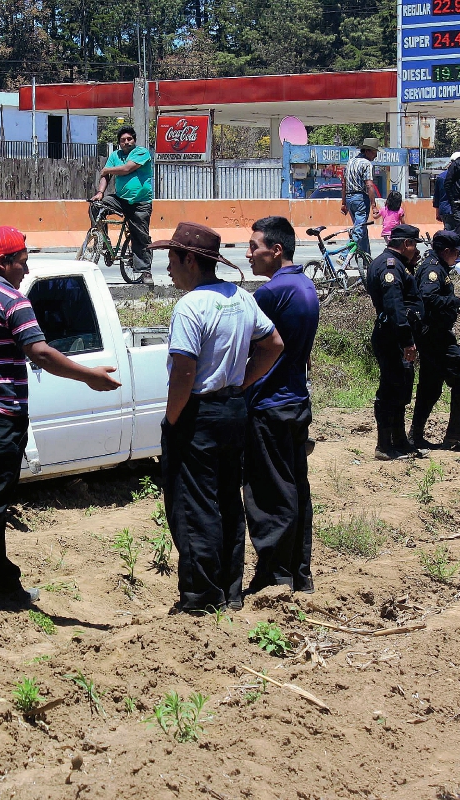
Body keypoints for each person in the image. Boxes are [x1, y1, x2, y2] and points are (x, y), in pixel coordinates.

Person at [0, 226, 121, 615]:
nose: (25, 272)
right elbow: (41, 354)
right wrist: (89, 376)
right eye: (23, 263)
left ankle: (4, 585)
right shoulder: (11, 301)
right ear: (3, 262)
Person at [155, 222, 283, 613]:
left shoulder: (191, 307)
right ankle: (230, 591)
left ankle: (200, 596)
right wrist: (242, 383)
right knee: (228, 498)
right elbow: (273, 345)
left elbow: (184, 372)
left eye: (172, 259)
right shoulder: (240, 298)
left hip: (199, 413)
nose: (168, 269)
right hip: (232, 410)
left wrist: (172, 419)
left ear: (190, 260)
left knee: (195, 505)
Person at [243, 216, 318, 595]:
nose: (248, 253)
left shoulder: (271, 293)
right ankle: (299, 573)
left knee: (270, 493)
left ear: (276, 250)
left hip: (268, 406)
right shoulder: (306, 286)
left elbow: (248, 348)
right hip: (295, 401)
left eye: (254, 247)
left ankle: (275, 575)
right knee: (295, 488)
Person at [409, 230, 460, 450]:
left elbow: (439, 302)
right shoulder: (433, 269)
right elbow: (428, 298)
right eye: (456, 253)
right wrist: (458, 299)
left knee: (430, 387)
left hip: (435, 332)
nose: (457, 257)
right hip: (435, 335)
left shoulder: (439, 266)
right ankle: (455, 430)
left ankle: (416, 434)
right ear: (447, 251)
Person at [366, 223, 425, 461]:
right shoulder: (390, 267)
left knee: (401, 388)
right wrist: (407, 341)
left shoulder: (397, 264)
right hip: (393, 337)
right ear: (407, 244)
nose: (415, 251)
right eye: (414, 246)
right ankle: (384, 445)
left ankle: (399, 440)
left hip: (396, 336)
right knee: (391, 390)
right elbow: (395, 308)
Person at [90, 126, 154, 283]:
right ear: (119, 143)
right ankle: (103, 241)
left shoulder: (141, 152)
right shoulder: (114, 156)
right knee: (96, 206)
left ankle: (145, 271)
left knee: (140, 236)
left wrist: (107, 169)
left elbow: (126, 169)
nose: (126, 142)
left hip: (140, 203)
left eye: (129, 139)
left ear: (134, 140)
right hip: (120, 199)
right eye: (123, 140)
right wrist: (100, 193)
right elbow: (105, 175)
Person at [340, 138, 381, 257]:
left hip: (349, 198)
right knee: (358, 230)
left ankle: (366, 258)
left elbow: (344, 184)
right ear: (367, 151)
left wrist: (343, 202)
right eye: (374, 152)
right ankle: (344, 255)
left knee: (362, 228)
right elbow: (369, 185)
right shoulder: (366, 164)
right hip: (360, 199)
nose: (376, 155)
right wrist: (373, 206)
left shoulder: (350, 162)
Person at [432, 153, 458, 232]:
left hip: (445, 210)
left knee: (448, 233)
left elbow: (436, 197)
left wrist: (437, 213)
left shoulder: (441, 177)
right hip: (457, 209)